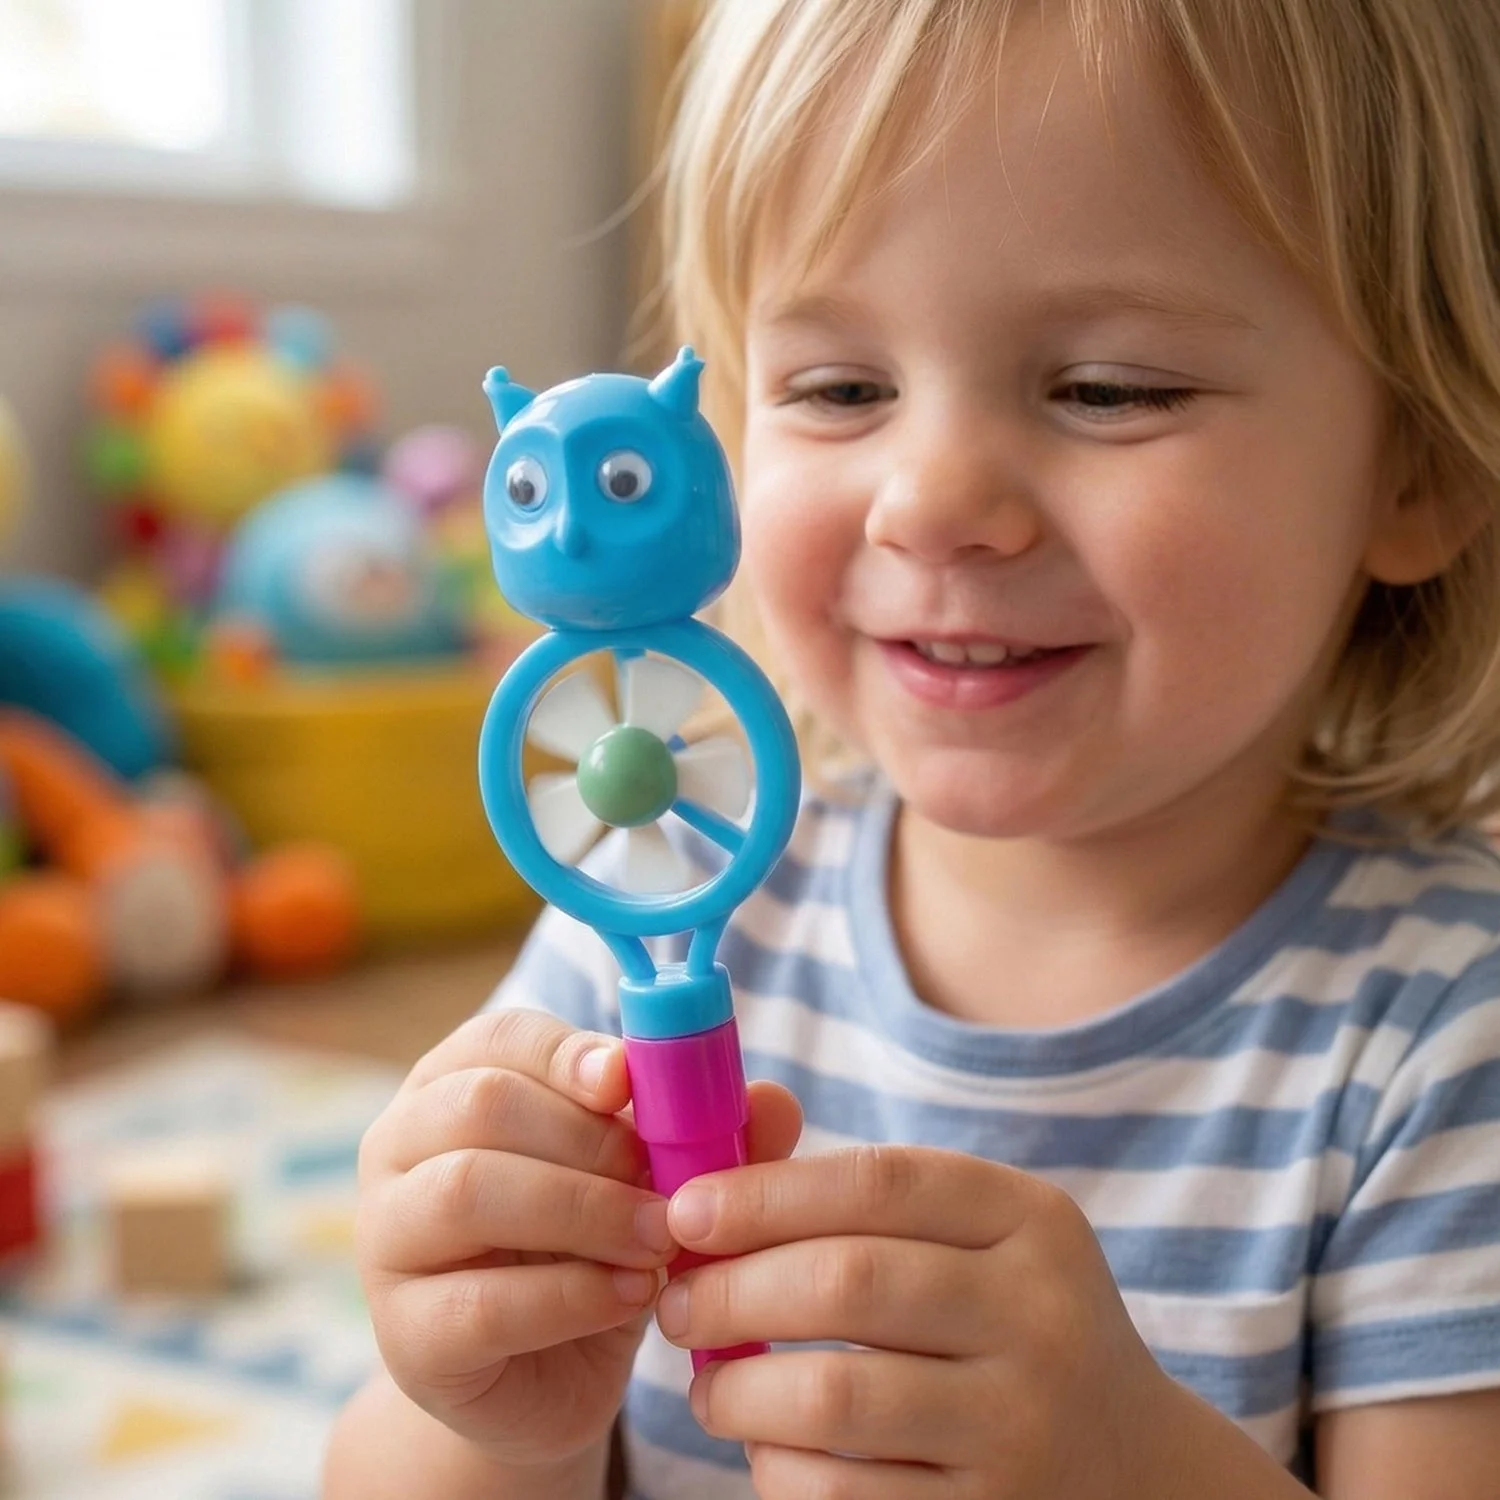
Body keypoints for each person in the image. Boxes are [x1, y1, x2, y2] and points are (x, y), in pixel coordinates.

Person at [324, 1, 1500, 1495]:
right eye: (840, 389)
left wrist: (1143, 1472)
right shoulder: (663, 894)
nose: (931, 501)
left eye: (1110, 388)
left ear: (1420, 466)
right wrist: (490, 1418)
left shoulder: (1450, 1034)